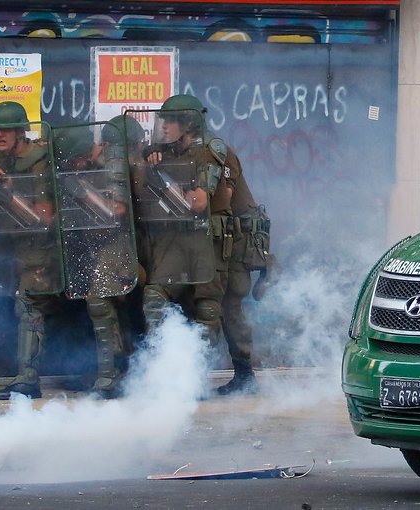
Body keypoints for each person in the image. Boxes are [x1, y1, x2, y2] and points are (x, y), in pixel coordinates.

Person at [52, 116, 144, 398]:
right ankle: (110, 369)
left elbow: (115, 211)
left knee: (100, 301)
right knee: (96, 305)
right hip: (93, 248)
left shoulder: (118, 169)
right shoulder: (89, 170)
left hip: (121, 248)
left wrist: (83, 190)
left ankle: (110, 375)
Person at [0, 101, 58, 400]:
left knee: (28, 306)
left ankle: (28, 378)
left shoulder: (39, 161)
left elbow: (43, 218)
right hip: (12, 248)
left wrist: (8, 194)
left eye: (6, 130)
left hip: (41, 249)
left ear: (20, 131)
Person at [135, 95, 227, 346]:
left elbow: (198, 203)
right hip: (173, 239)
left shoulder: (208, 150)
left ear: (188, 124)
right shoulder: (167, 151)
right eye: (163, 120)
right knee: (154, 297)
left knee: (207, 309)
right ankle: (159, 364)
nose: (164, 126)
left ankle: (196, 374)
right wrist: (150, 157)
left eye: (171, 120)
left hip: (205, 241)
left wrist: (163, 179)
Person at [216, 154, 273, 395]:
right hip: (219, 243)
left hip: (238, 243)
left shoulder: (219, 153)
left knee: (230, 304)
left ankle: (245, 375)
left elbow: (222, 198)